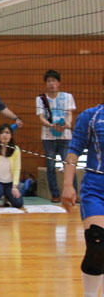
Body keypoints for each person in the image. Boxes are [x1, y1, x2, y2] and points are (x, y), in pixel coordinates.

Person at [61, 75, 104, 297]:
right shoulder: (91, 116)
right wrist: (68, 185)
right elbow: (74, 150)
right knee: (97, 244)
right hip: (95, 190)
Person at [36, 69, 76, 202]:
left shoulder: (68, 97)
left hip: (65, 136)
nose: (51, 84)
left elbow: (69, 113)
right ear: (46, 83)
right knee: (51, 165)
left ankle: (74, 193)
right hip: (48, 137)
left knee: (68, 164)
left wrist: (67, 124)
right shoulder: (41, 99)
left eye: (54, 81)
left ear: (58, 83)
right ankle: (55, 194)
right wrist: (50, 125)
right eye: (49, 81)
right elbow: (41, 117)